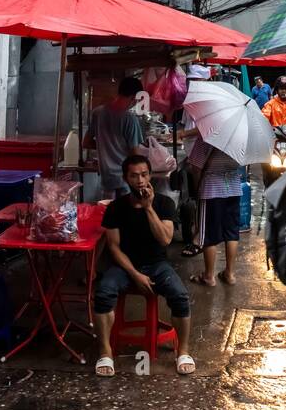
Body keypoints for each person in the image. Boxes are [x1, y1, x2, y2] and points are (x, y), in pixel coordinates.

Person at [92, 154, 195, 377]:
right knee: (103, 293)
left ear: (150, 175)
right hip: (125, 266)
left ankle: (183, 351)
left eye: (144, 174)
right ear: (126, 178)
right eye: (134, 176)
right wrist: (135, 274)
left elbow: (166, 239)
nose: (140, 180)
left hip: (157, 264)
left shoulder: (164, 203)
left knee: (180, 297)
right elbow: (114, 247)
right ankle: (105, 352)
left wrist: (148, 208)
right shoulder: (116, 208)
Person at [185, 134, 243, 288]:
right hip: (234, 188)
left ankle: (209, 276)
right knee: (232, 232)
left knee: (209, 233)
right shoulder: (242, 136)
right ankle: (229, 274)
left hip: (211, 189)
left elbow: (196, 167)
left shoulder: (208, 134)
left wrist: (197, 187)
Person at [83, 75, 144, 198]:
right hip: (125, 178)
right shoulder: (130, 119)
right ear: (134, 98)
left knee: (108, 212)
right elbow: (136, 155)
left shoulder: (98, 112)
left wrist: (104, 147)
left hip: (106, 177)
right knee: (126, 213)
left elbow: (86, 143)